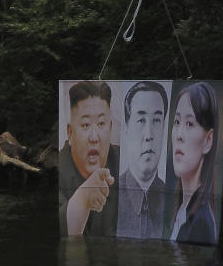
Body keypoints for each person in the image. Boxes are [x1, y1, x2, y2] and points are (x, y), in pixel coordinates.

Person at [59, 81, 119, 236]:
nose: (94, 137)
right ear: (70, 133)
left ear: (110, 128)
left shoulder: (125, 162)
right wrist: (83, 198)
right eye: (85, 125)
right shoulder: (56, 168)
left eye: (101, 124)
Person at [166, 81, 219, 244]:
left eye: (189, 124)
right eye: (176, 122)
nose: (179, 135)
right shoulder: (184, 208)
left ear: (208, 140)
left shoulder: (201, 220)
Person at [116, 81, 168, 239]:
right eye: (141, 120)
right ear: (126, 130)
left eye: (157, 121)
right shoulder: (106, 197)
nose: (149, 135)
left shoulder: (176, 201)